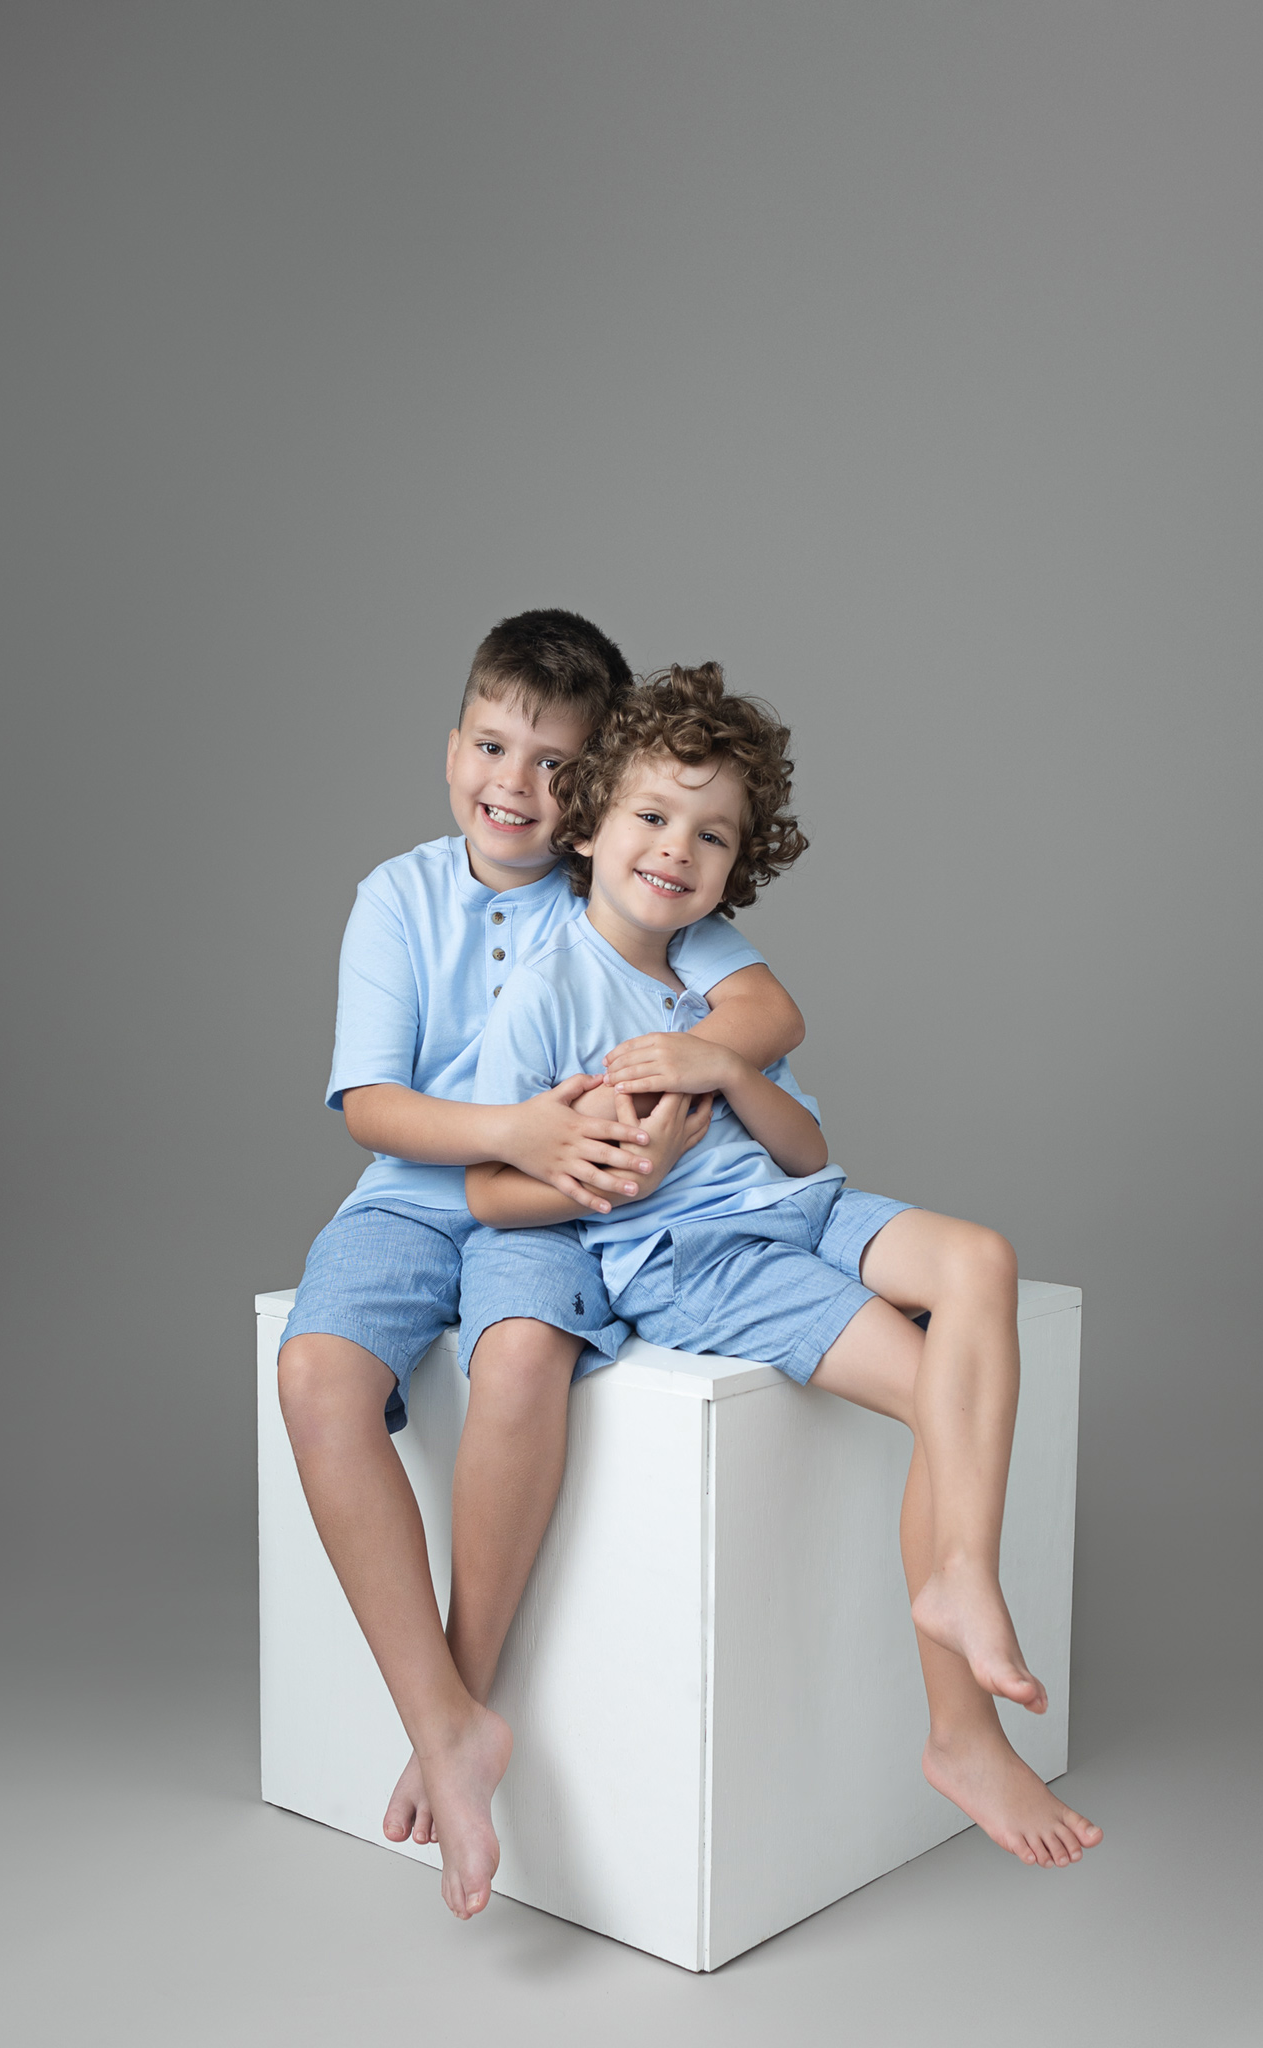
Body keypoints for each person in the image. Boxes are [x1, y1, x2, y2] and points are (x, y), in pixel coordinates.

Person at [467, 662, 1104, 1872]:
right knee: (938, 1397)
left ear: (734, 865)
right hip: (696, 1256)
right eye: (652, 816)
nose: (677, 849)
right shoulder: (544, 996)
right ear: (590, 820)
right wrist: (609, 1177)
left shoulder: (707, 963)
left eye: (712, 835)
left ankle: (962, 1569)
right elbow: (493, 1185)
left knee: (983, 1257)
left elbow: (810, 1146)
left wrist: (723, 1071)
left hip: (799, 1205)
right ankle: (960, 1728)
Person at [276, 614, 805, 1920]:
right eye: (493, 745)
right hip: (410, 1200)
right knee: (312, 1378)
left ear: (598, 788)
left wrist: (669, 1105)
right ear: (452, 745)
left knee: (519, 1357)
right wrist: (515, 1126)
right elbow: (372, 1106)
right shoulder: (398, 898)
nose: (516, 785)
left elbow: (764, 1012)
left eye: (559, 764)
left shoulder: (624, 889)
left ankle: (450, 1722)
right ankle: (448, 1723)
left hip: (553, 1218)